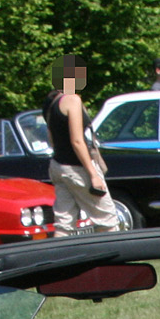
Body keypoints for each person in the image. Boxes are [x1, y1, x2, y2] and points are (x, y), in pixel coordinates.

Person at [44, 56, 121, 237]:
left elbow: (51, 137)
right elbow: (77, 141)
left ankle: (58, 264)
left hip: (58, 166)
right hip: (78, 169)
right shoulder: (73, 100)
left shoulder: (51, 101)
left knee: (64, 225)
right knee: (108, 221)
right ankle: (114, 262)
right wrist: (93, 174)